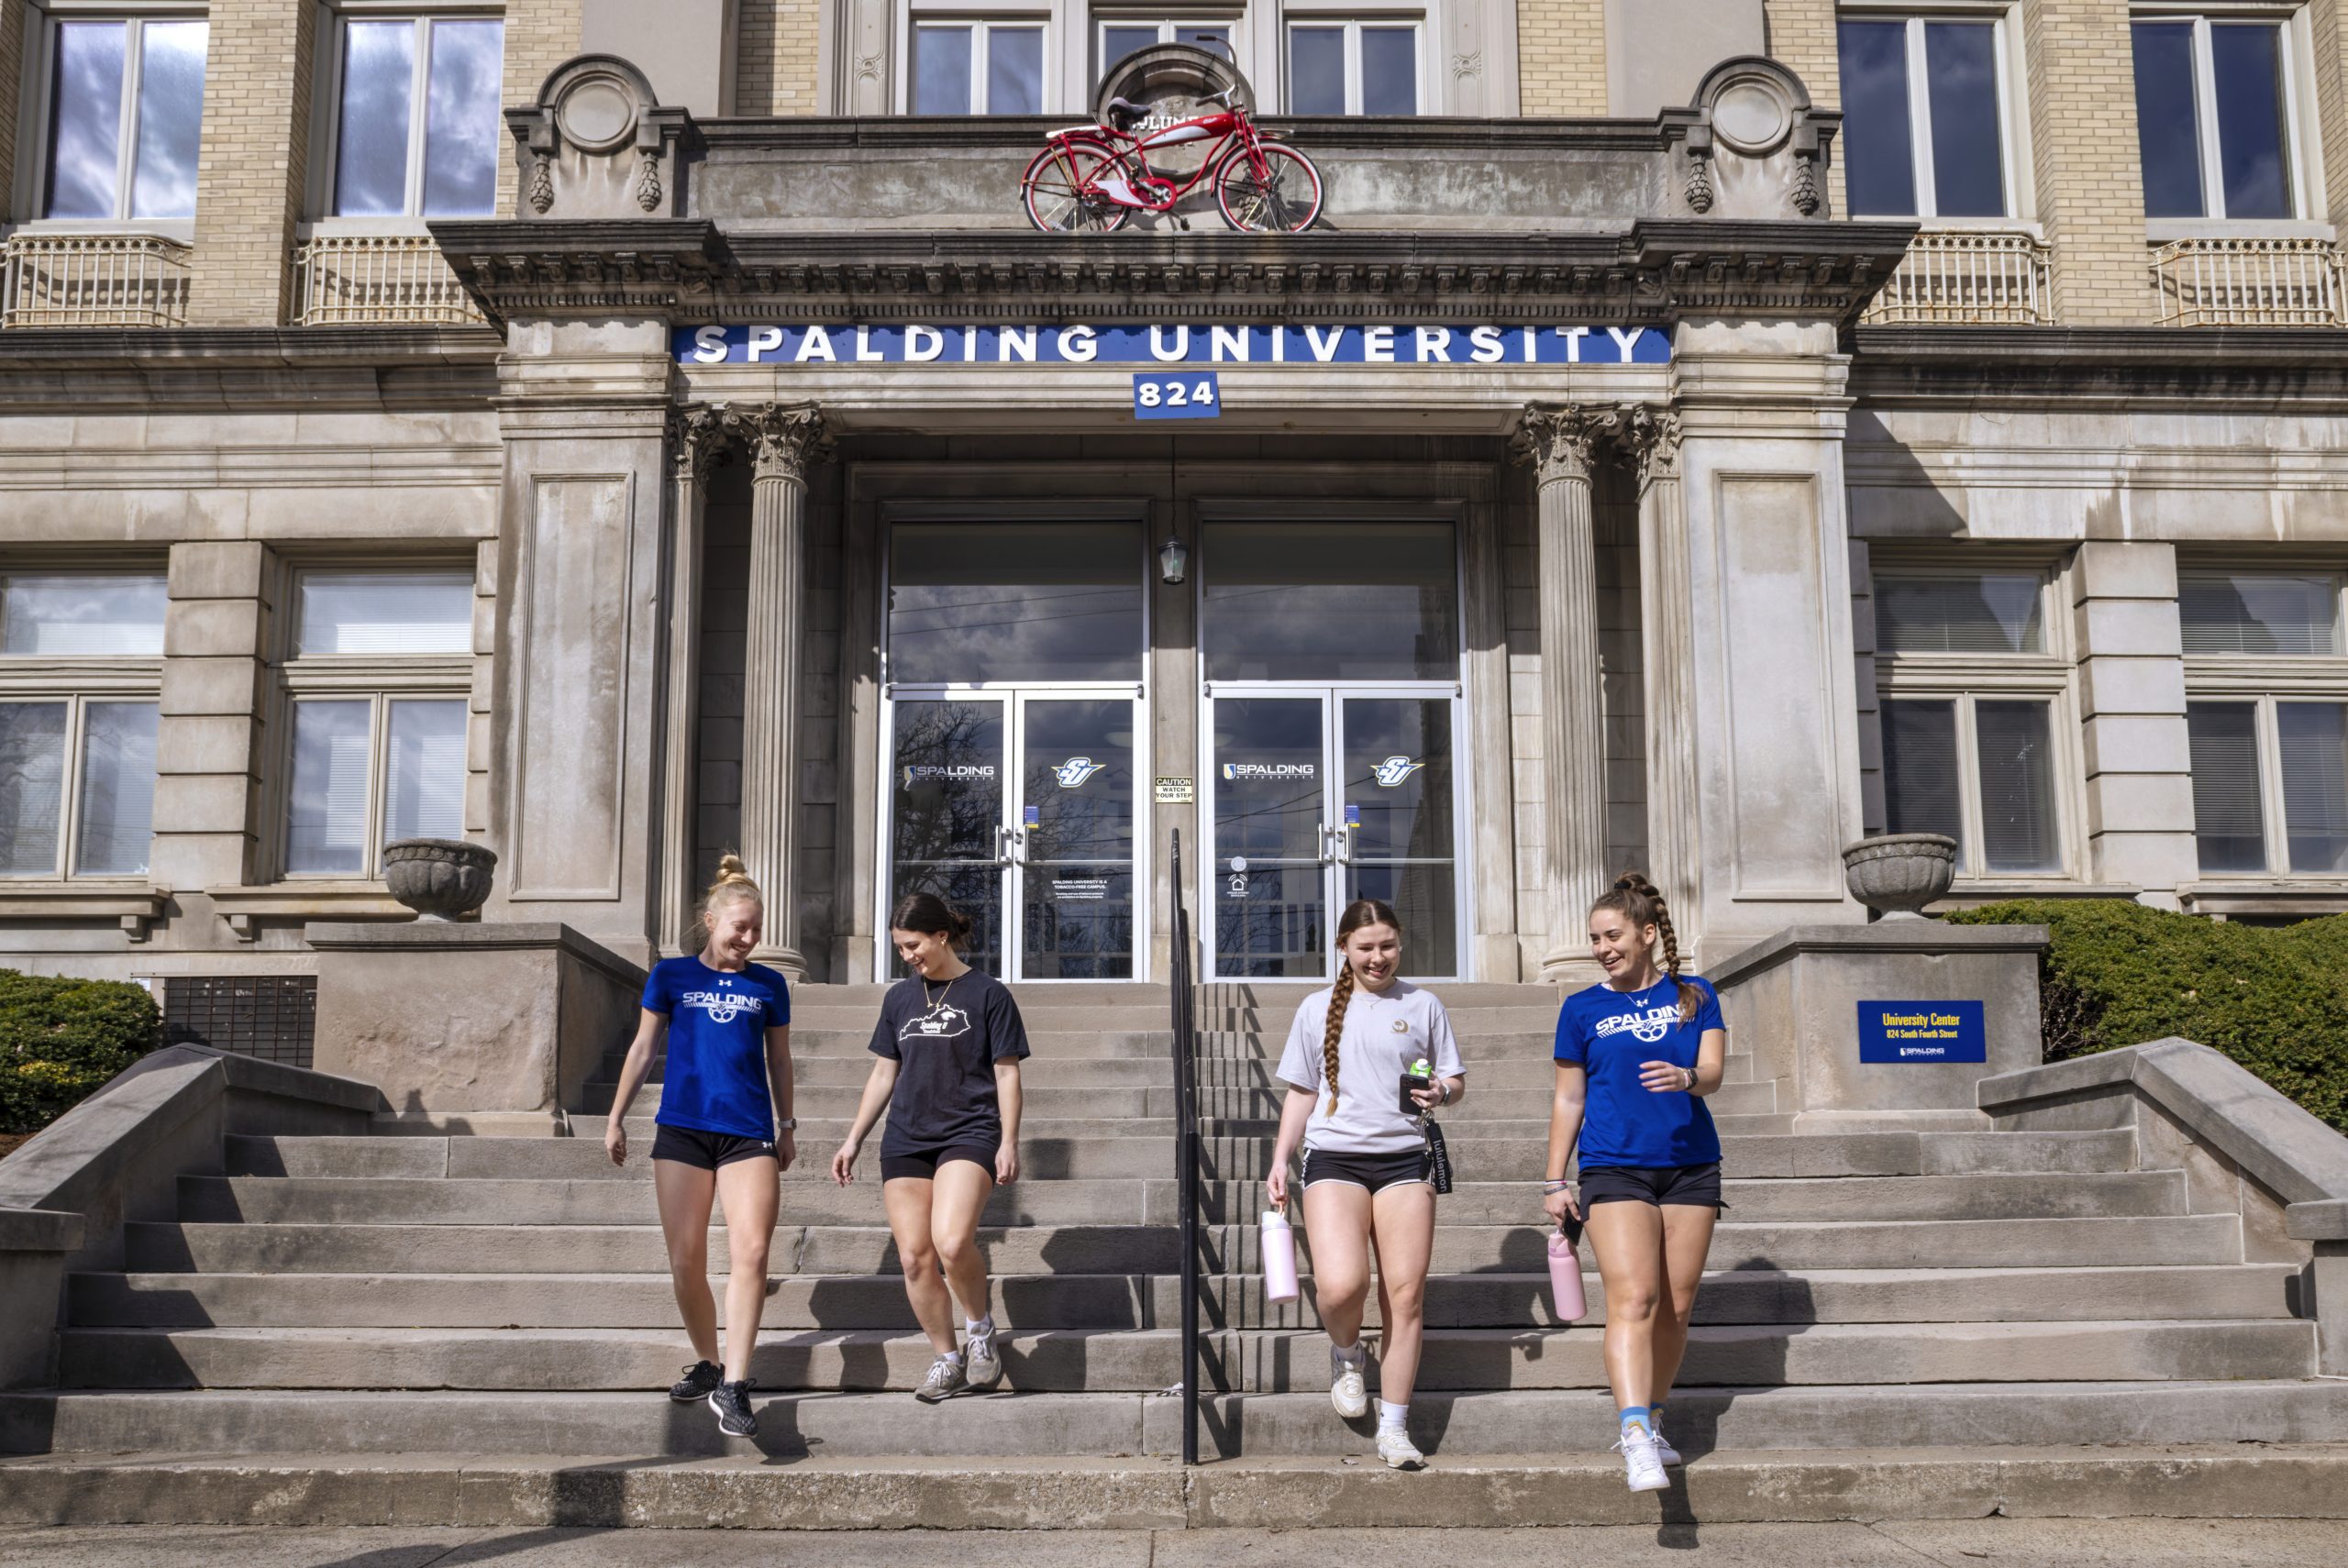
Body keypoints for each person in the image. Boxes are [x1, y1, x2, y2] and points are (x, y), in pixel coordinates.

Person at [1543, 871, 1728, 1493]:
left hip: (1690, 1164)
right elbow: (1570, 1099)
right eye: (1595, 938)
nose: (1602, 947)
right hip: (1612, 1164)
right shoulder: (1582, 1007)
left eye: (1613, 935)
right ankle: (1632, 1433)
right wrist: (1554, 1179)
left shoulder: (1695, 995)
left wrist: (1687, 1079)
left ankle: (1653, 1416)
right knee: (1634, 1299)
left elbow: (1713, 1074)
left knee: (1676, 1306)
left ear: (1648, 934)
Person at [1265, 898, 1465, 1471]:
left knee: (1404, 1295)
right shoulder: (1315, 1008)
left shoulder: (1423, 1004)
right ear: (1344, 948)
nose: (1378, 957)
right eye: (1366, 947)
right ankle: (1347, 1354)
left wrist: (1442, 1094)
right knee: (1341, 1287)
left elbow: (1452, 1078)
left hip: (1406, 1158)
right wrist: (1281, 1159)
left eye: (1388, 946)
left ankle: (1395, 1426)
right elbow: (1301, 1091)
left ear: (1400, 944)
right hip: (1333, 1158)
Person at [603, 855, 796, 1441]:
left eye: (756, 929)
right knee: (686, 1259)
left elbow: (779, 1059)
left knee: (753, 1253)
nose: (749, 937)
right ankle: (709, 1362)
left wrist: (787, 1125)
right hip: (682, 1130)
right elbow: (641, 1051)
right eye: (740, 926)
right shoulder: (671, 976)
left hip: (748, 1131)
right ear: (709, 921)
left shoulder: (770, 984)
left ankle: (734, 1385)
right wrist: (615, 1118)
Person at [831, 892, 1029, 1402]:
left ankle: (979, 1328)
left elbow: (1007, 1074)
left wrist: (1008, 1140)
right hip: (906, 1137)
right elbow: (882, 1073)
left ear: (942, 935)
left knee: (952, 1241)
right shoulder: (899, 998)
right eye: (900, 948)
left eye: (913, 944)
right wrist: (854, 1138)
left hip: (970, 1131)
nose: (908, 956)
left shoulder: (989, 995)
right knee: (915, 1258)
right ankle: (946, 1358)